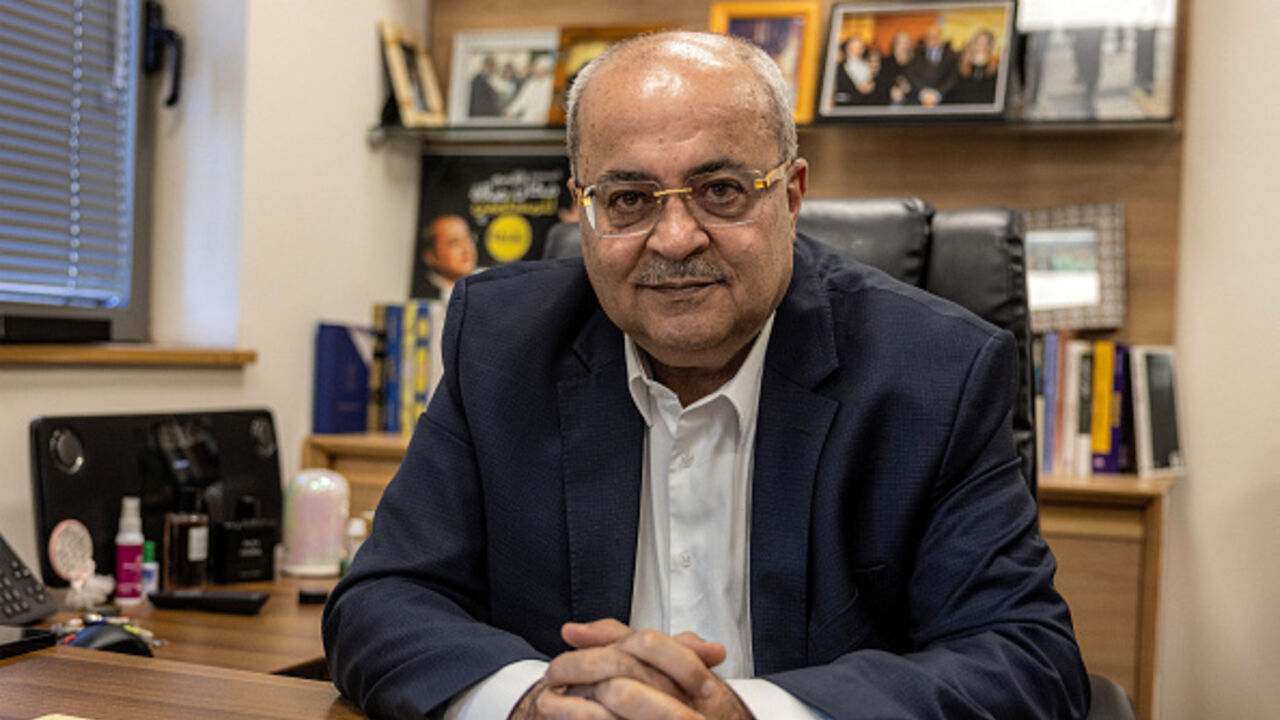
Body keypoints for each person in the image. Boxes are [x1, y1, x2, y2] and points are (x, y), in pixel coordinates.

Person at [324, 30, 1089, 720]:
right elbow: (381, 600)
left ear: (790, 195)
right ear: (582, 215)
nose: (677, 237)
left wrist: (753, 715)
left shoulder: (936, 373)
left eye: (720, 191)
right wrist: (531, 700)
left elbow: (1026, 662)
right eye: (627, 199)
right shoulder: (501, 346)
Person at [413, 214, 477, 300]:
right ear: (430, 256)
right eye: (454, 242)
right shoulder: (418, 295)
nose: (466, 249)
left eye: (469, 239)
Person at [906, 26, 958, 106]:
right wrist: (924, 94)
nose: (933, 39)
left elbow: (952, 77)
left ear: (941, 38)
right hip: (918, 101)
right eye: (929, 37)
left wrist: (937, 94)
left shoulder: (951, 56)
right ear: (925, 39)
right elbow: (911, 75)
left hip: (945, 101)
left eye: (936, 36)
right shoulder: (915, 55)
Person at [948, 29, 999, 105]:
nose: (981, 46)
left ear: (990, 46)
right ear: (973, 44)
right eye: (978, 42)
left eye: (986, 43)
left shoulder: (996, 68)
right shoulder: (959, 65)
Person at [831, 36, 879, 106]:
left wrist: (872, 85)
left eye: (860, 48)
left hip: (864, 104)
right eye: (853, 47)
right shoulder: (838, 66)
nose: (856, 51)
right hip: (845, 105)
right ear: (847, 48)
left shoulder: (867, 65)